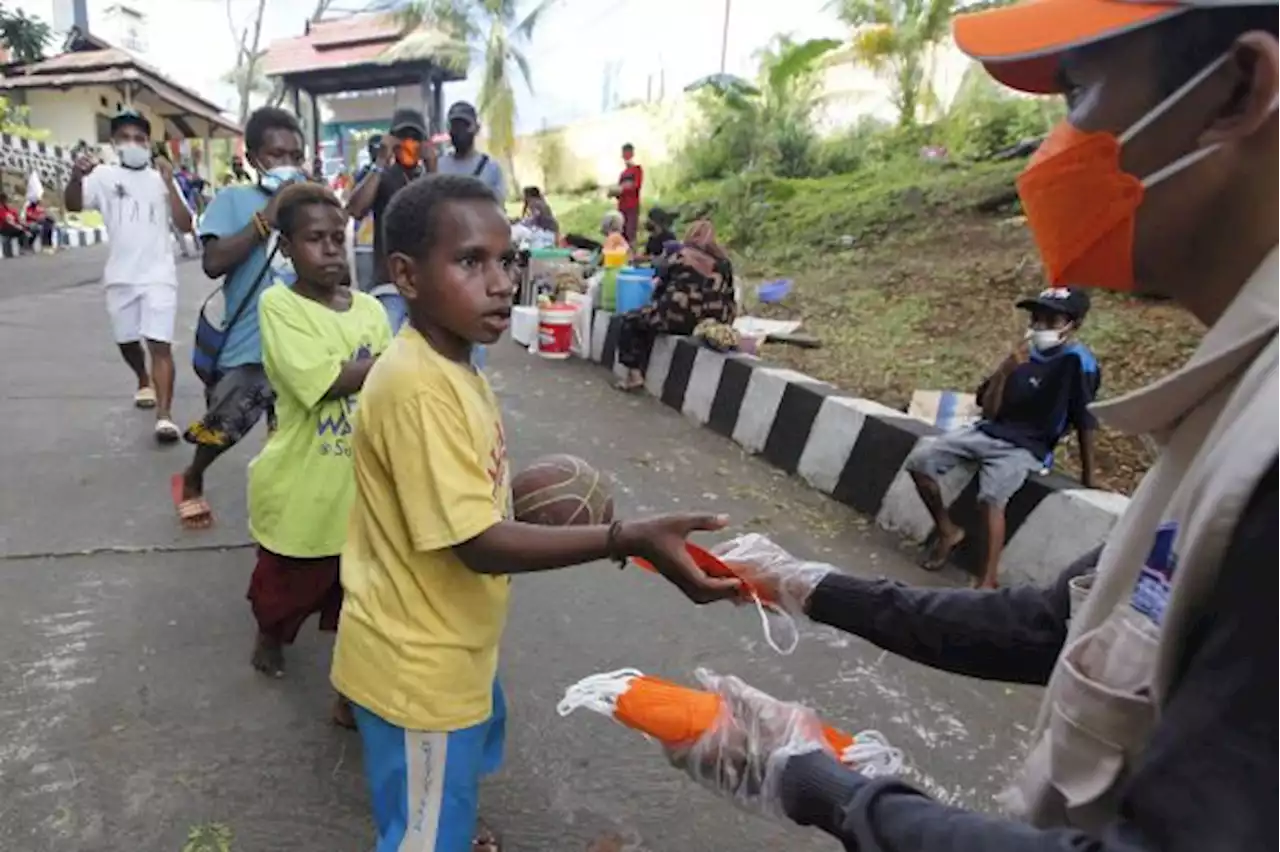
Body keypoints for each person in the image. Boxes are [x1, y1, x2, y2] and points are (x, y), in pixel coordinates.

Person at [660, 4, 1280, 850]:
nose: (1055, 149)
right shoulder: (1233, 408)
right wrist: (807, 584)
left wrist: (834, 794)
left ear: (1239, 90)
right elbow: (1053, 627)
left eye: (1080, 91)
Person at [329, 174, 741, 852]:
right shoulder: (416, 388)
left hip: (454, 643)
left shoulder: (454, 360)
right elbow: (476, 543)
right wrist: (622, 534)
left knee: (452, 786)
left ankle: (450, 823)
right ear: (404, 274)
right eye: (470, 262)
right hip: (418, 667)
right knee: (421, 831)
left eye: (506, 260)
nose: (500, 282)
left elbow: (467, 494)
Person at [246, 181, 391, 726]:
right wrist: (394, 364)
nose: (331, 249)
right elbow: (325, 380)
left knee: (362, 602)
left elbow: (386, 391)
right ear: (286, 247)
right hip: (303, 489)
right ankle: (270, 634)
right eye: (314, 239)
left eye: (338, 237)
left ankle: (350, 693)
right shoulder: (278, 305)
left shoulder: (372, 309)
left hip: (362, 491)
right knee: (284, 592)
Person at [906, 287, 1099, 587]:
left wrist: (1089, 476)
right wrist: (1005, 373)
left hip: (1027, 446)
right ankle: (947, 530)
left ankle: (988, 579)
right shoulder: (1023, 355)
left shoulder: (1078, 362)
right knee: (920, 462)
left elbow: (1085, 419)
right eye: (1037, 318)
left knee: (992, 498)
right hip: (990, 431)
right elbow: (990, 411)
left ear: (1073, 324)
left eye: (1052, 319)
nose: (1041, 326)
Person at [175, 107, 308, 530]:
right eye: (276, 153)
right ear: (253, 158)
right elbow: (213, 263)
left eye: (295, 153)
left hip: (301, 342)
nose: (287, 162)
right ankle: (193, 478)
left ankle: (283, 506)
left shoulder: (310, 201)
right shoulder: (233, 200)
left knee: (292, 435)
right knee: (224, 427)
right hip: (250, 345)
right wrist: (265, 220)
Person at [65, 108, 193, 443]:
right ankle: (141, 378)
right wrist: (76, 177)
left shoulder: (161, 179)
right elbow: (75, 206)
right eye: (125, 138)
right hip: (121, 276)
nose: (133, 143)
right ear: (114, 143)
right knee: (127, 342)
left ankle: (164, 417)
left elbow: (185, 224)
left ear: (149, 143)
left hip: (159, 274)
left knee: (159, 344)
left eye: (139, 138)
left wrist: (171, 183)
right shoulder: (103, 177)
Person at [615, 220, 735, 392]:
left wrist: (655, 305)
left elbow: (660, 288)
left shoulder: (680, 256)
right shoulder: (724, 264)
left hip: (678, 318)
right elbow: (730, 297)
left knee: (630, 320)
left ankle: (634, 376)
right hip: (713, 321)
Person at [346, 107, 436, 334]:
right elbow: (355, 209)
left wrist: (433, 167)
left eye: (415, 138)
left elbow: (444, 215)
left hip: (427, 287)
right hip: (389, 286)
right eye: (403, 137)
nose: (409, 144)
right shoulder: (381, 176)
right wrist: (380, 161)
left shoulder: (430, 179)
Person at [436, 100, 506, 200]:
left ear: (476, 128)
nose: (460, 131)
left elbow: (497, 208)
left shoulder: (491, 168)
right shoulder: (438, 166)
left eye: (465, 125)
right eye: (455, 126)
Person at [608, 143, 643, 245]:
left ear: (632, 154)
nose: (625, 156)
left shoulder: (637, 169)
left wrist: (622, 189)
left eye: (627, 153)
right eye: (624, 154)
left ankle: (632, 253)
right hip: (622, 207)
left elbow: (636, 186)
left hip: (632, 205)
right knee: (621, 233)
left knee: (631, 232)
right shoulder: (622, 174)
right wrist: (614, 192)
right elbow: (620, 191)